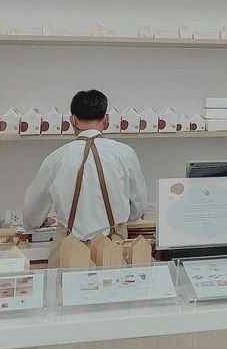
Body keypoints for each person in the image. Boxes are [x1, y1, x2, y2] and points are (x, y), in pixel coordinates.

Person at [24, 89, 147, 262]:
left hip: (68, 248)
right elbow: (139, 206)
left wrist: (36, 223)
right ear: (106, 119)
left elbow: (32, 211)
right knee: (114, 279)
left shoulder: (56, 158)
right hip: (114, 248)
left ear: (72, 120)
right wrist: (120, 220)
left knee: (64, 279)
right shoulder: (126, 154)